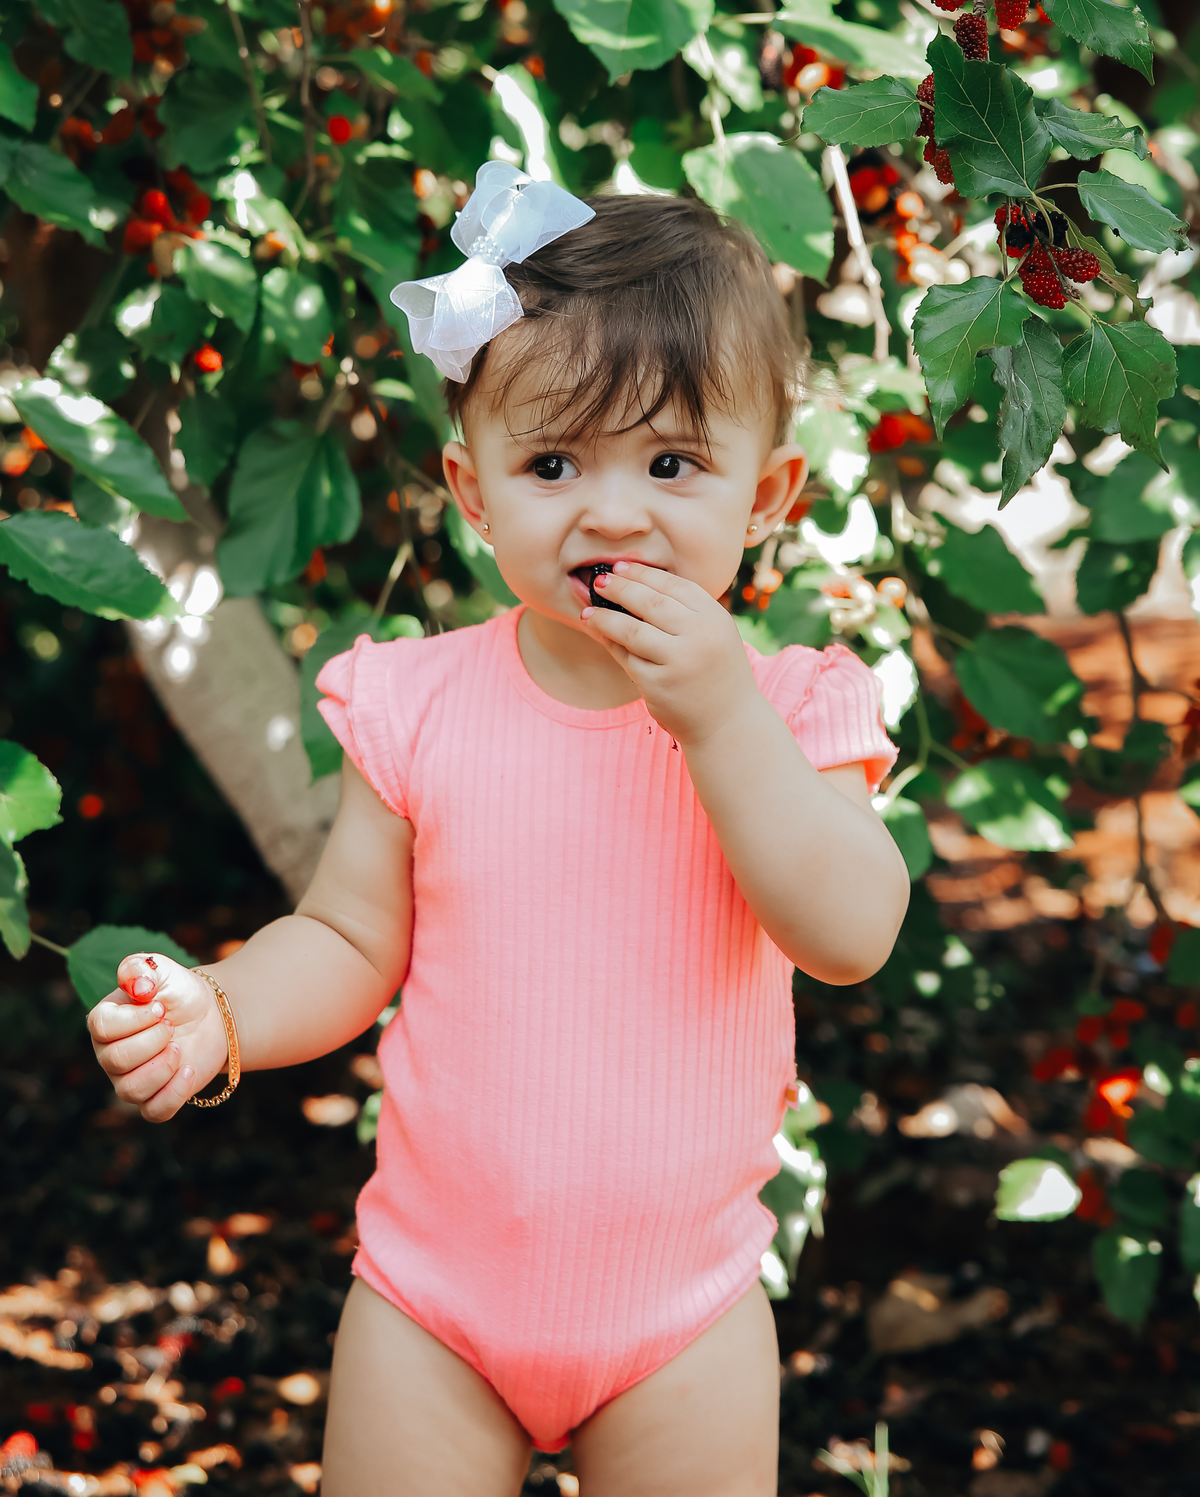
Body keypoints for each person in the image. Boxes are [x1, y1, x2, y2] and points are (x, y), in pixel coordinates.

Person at [87, 163, 910, 1497]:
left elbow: (851, 931)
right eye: (553, 464)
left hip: (682, 1313)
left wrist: (719, 719)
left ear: (768, 497)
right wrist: (225, 1010)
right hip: (434, 1303)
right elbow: (348, 938)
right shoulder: (417, 704)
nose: (613, 511)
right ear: (475, 494)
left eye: (673, 463)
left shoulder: (791, 712)